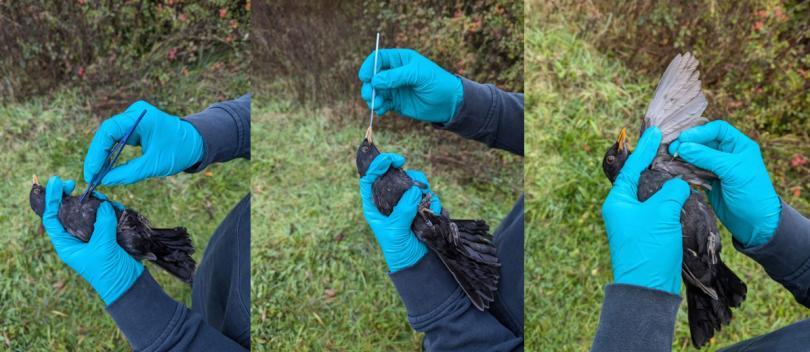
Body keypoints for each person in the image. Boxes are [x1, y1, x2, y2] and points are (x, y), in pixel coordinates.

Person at [41, 96, 251, 351]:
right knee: (209, 292)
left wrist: (129, 295)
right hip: (232, 252)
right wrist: (213, 132)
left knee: (215, 309)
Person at [357, 49, 524, 351]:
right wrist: (465, 102)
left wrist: (431, 292)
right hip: (495, 276)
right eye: (368, 148)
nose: (370, 141)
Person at [593, 121, 810, 351]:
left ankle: (709, 288)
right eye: (612, 158)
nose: (620, 145)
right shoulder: (642, 182)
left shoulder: (645, 175)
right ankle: (709, 287)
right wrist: (783, 234)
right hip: (699, 252)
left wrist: (639, 301)